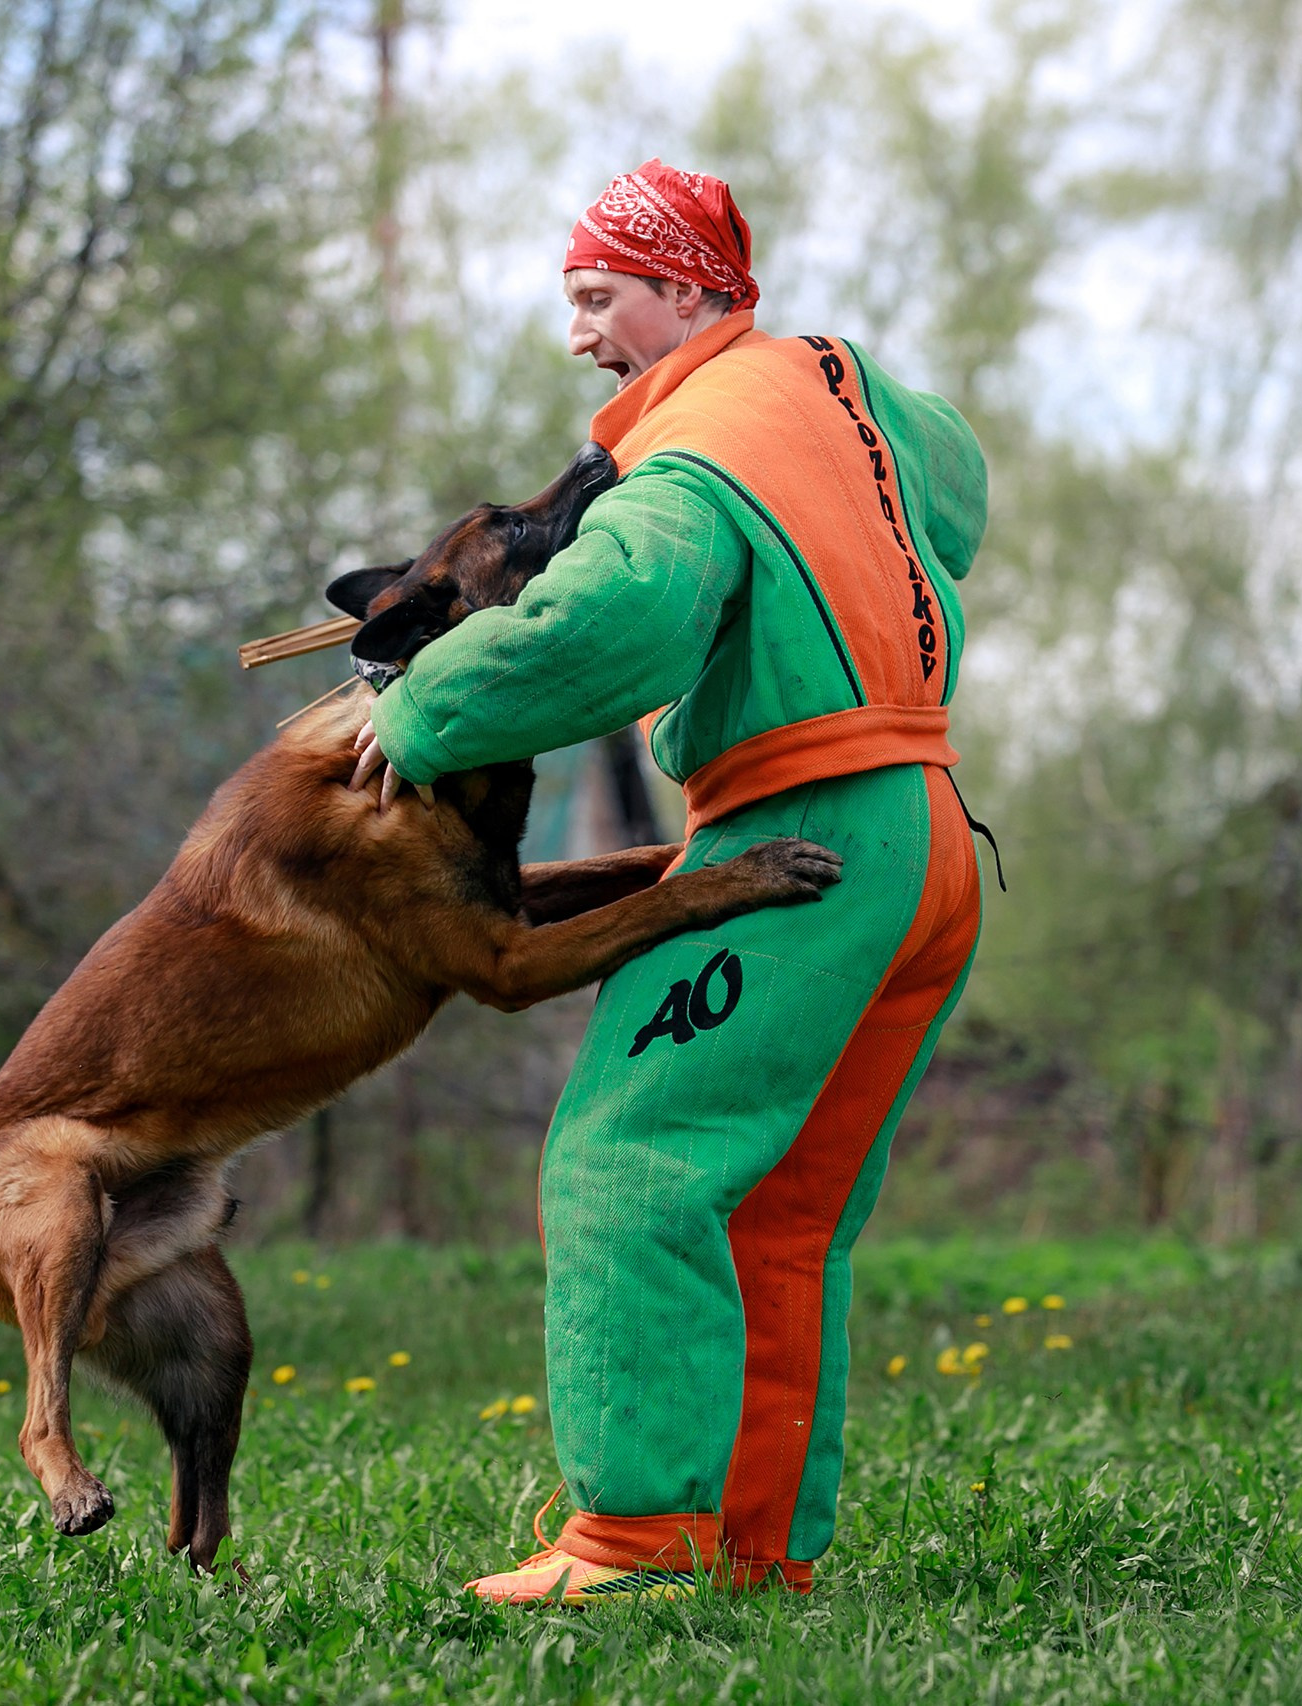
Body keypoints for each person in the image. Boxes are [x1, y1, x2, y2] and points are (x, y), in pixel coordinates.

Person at [354, 159, 989, 1603]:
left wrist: (427, 708)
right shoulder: (837, 385)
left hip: (799, 829)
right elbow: (957, 478)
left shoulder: (695, 450)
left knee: (625, 1163)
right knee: (779, 1212)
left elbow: (620, 617)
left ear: (689, 292)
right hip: (930, 835)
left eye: (600, 298)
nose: (581, 334)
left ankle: (639, 1541)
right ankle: (757, 1550)